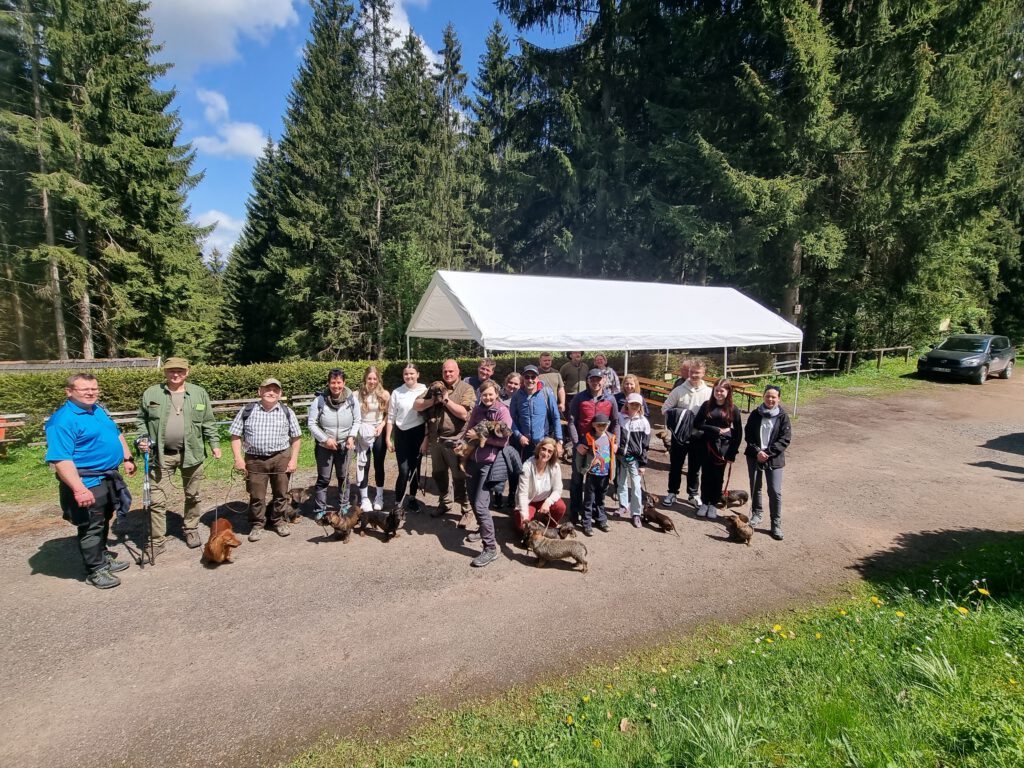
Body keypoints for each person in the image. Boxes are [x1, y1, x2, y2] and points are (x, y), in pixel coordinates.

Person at [45, 373, 136, 589]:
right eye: (84, 389)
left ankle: (103, 558)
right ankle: (95, 569)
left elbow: (116, 433)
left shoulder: (98, 409)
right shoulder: (62, 420)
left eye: (94, 388)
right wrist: (78, 489)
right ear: (69, 392)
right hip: (87, 481)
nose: (90, 393)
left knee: (104, 518)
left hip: (107, 477)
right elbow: (60, 459)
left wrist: (126, 457)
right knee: (91, 525)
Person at [135, 356, 221, 553]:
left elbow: (208, 421)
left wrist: (215, 443)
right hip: (161, 456)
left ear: (187, 372)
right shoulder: (152, 393)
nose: (176, 374)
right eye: (171, 371)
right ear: (165, 372)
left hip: (192, 454)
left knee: (193, 495)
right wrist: (142, 438)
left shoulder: (199, 393)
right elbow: (141, 420)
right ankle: (157, 541)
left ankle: (190, 528)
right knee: (157, 500)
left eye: (180, 371)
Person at [229, 378, 302, 541]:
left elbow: (296, 437)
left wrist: (294, 459)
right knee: (256, 496)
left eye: (275, 390)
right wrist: (238, 458)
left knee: (281, 493)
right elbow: (235, 436)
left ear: (280, 394)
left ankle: (279, 521)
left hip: (281, 458)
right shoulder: (247, 410)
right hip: (255, 460)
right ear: (259, 391)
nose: (271, 392)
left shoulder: (287, 411)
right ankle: (257, 524)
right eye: (267, 389)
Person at [463, 379, 513, 567]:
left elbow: (504, 440)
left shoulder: (502, 411)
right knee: (473, 499)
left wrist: (481, 437)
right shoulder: (477, 410)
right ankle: (483, 530)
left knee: (481, 505)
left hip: (488, 463)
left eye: (490, 394)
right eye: (484, 395)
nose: (487, 397)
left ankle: (490, 548)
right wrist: (462, 444)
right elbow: (468, 432)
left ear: (497, 394)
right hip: (472, 461)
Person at [420, 359, 476, 522]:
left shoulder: (466, 389)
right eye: (445, 371)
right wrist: (432, 400)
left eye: (451, 371)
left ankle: (466, 509)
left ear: (458, 372)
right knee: (439, 474)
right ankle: (444, 503)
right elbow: (417, 405)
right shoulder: (436, 386)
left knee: (459, 476)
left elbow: (464, 414)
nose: (448, 374)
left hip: (456, 441)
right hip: (436, 440)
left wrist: (445, 399)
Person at [567, 368, 619, 523]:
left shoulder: (610, 399)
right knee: (577, 478)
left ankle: (596, 513)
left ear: (603, 380)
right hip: (583, 443)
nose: (595, 382)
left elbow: (616, 422)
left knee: (599, 480)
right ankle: (575, 511)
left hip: (602, 444)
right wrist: (576, 444)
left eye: (598, 379)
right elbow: (571, 421)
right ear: (588, 381)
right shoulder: (579, 398)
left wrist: (615, 442)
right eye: (592, 379)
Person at [307, 369, 360, 520]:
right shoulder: (319, 401)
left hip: (345, 445)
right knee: (324, 478)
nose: (336, 386)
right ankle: (320, 509)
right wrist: (325, 439)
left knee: (344, 477)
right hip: (325, 447)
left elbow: (357, 420)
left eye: (339, 382)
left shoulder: (352, 400)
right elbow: (312, 424)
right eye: (333, 382)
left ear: (344, 383)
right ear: (328, 383)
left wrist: (351, 436)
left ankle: (344, 506)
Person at [660, 358, 712, 508]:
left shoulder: (709, 392)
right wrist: (682, 416)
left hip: (699, 436)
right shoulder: (679, 390)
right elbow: (665, 409)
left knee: (695, 468)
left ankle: (693, 494)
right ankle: (672, 493)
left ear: (703, 373)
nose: (694, 375)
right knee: (676, 466)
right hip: (680, 436)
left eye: (697, 372)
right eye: (692, 372)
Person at [743, 385, 791, 541]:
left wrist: (768, 453)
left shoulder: (783, 416)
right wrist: (757, 451)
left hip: (774, 458)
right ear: (763, 397)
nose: (770, 399)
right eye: (768, 396)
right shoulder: (756, 414)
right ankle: (757, 513)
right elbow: (748, 434)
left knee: (774, 491)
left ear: (778, 398)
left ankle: (775, 524)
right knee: (756, 486)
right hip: (754, 455)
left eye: (774, 397)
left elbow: (785, 438)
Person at [693, 379, 742, 520]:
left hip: (723, 449)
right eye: (716, 390)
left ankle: (713, 504)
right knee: (705, 475)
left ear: (728, 392)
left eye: (722, 391)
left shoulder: (733, 409)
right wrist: (713, 429)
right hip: (706, 445)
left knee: (717, 477)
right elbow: (697, 424)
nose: (719, 393)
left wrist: (733, 453)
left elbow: (738, 432)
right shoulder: (707, 406)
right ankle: (704, 502)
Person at [386, 363, 430, 512]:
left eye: (412, 373)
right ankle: (398, 502)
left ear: (418, 374)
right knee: (403, 470)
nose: (409, 376)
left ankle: (412, 498)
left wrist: (426, 439)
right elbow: (391, 417)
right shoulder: (397, 392)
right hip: (401, 434)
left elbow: (429, 417)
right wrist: (388, 438)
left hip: (418, 433)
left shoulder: (425, 390)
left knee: (414, 470)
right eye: (406, 374)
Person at [515, 437, 567, 535]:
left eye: (550, 451)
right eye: (543, 449)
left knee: (561, 506)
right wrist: (525, 517)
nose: (545, 453)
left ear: (552, 454)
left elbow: (558, 490)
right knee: (523, 527)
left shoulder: (555, 467)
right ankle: (530, 517)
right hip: (529, 501)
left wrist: (548, 502)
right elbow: (522, 494)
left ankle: (550, 526)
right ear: (539, 449)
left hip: (544, 500)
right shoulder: (527, 466)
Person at [509, 365, 563, 457]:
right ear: (523, 378)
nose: (530, 380)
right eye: (527, 377)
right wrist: (519, 436)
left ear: (538, 378)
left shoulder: (546, 392)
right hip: (524, 444)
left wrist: (559, 441)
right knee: (525, 470)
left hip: (543, 443)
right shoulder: (517, 395)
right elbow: (510, 419)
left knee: (544, 470)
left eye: (533, 377)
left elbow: (556, 417)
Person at [356, 366, 390, 512]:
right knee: (364, 465)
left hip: (378, 431)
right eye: (369, 378)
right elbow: (354, 416)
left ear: (378, 379)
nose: (372, 381)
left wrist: (382, 425)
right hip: (363, 432)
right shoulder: (356, 394)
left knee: (379, 464)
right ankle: (364, 498)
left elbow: (390, 414)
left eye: (374, 378)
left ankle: (379, 496)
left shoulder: (384, 394)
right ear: (365, 379)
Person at [616, 393, 651, 527]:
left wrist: (643, 464)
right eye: (632, 404)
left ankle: (636, 513)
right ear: (627, 404)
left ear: (640, 406)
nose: (634, 406)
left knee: (636, 486)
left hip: (634, 459)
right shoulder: (620, 418)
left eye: (637, 404)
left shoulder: (643, 422)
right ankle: (623, 505)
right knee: (621, 483)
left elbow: (645, 445)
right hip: (620, 457)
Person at [580, 412, 616, 536]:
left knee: (601, 499)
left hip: (605, 474)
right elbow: (581, 452)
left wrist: (605, 463)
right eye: (599, 425)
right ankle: (587, 523)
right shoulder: (589, 437)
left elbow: (611, 456)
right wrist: (585, 466)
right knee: (589, 499)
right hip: (592, 473)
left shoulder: (610, 437)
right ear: (594, 425)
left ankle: (601, 520)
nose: (602, 427)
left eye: (604, 425)